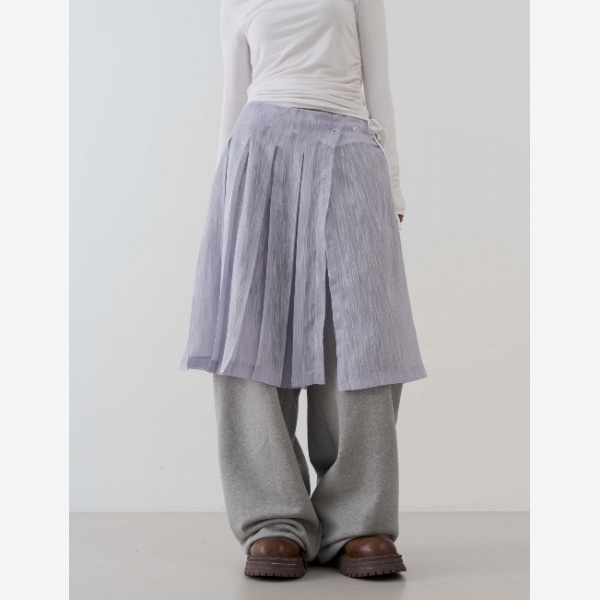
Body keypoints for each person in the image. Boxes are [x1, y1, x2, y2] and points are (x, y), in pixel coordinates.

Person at [179, 0, 427, 579]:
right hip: (258, 153)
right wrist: (222, 197)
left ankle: (357, 520)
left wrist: (391, 184)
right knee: (251, 333)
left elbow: (378, 80)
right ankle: (273, 519)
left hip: (349, 147)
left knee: (363, 335)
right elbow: (233, 97)